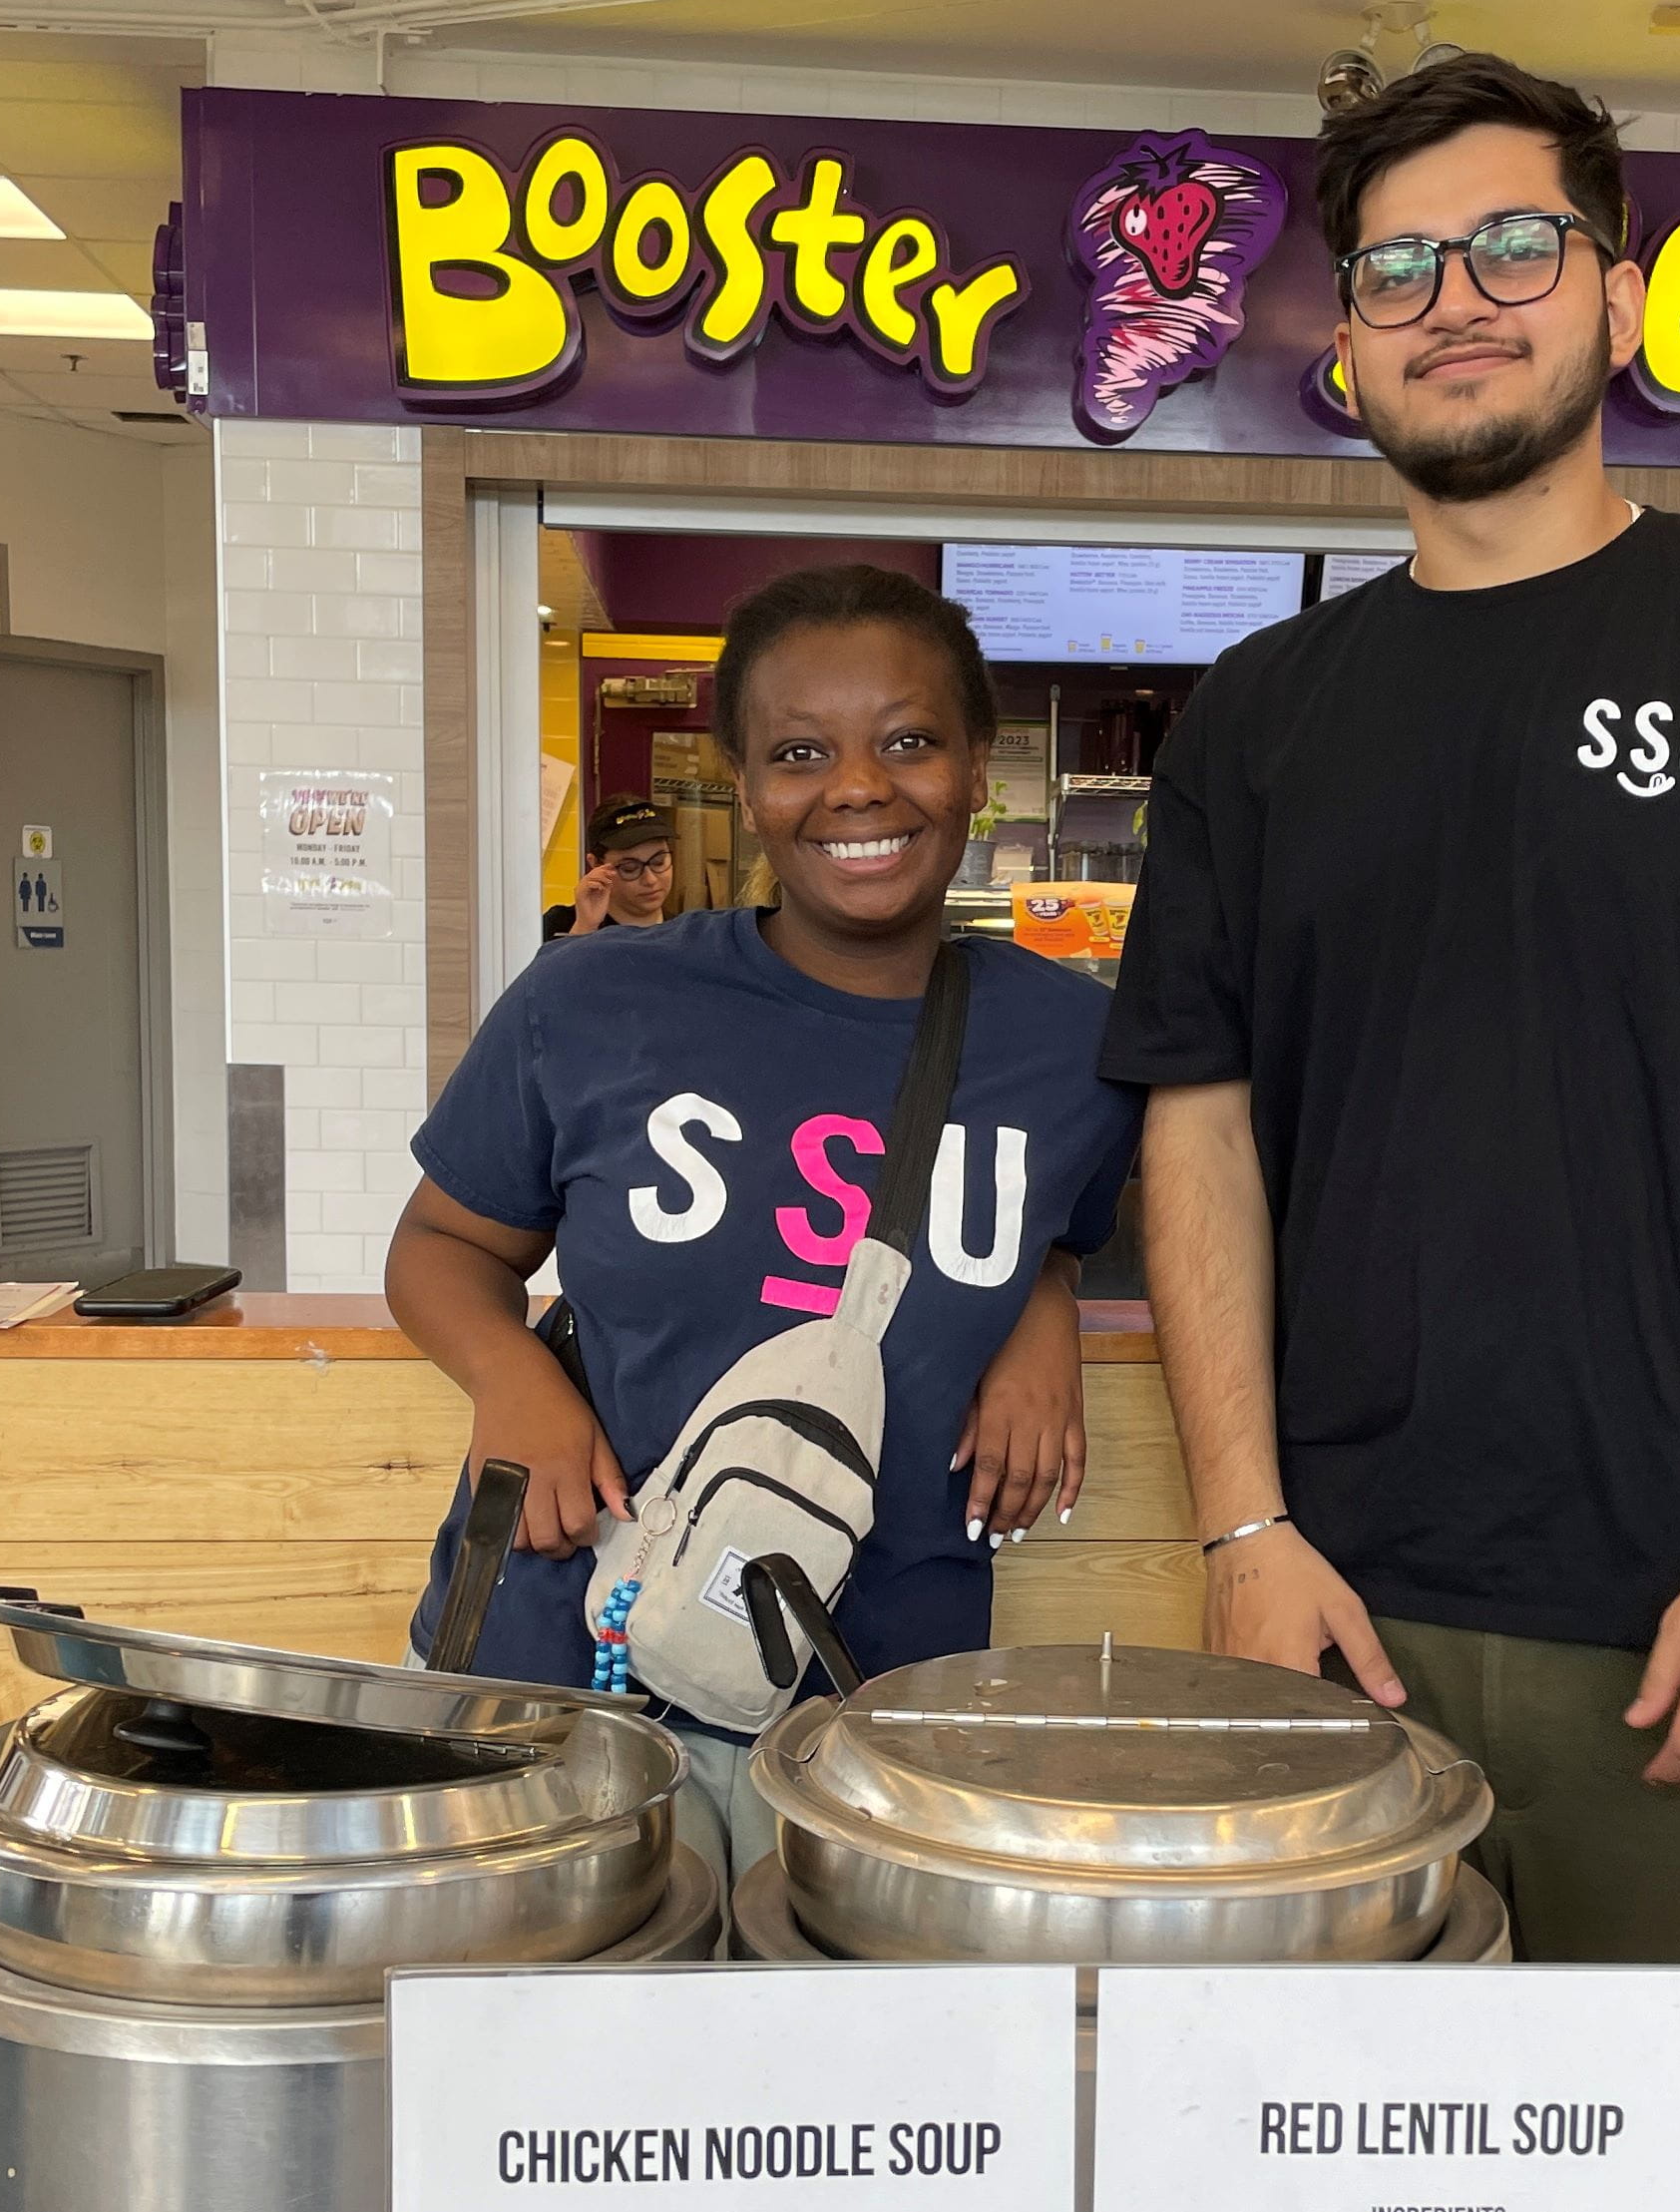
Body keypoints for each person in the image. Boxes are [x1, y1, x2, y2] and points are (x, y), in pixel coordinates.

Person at [1101, 49, 1680, 2104]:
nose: (1458, 297)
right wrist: (1242, 1532)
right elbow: (1203, 1133)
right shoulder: (1261, 718)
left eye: (1515, 244)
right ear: (1341, 350)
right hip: (1343, 1638)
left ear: (1619, 294)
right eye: (1397, 268)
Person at [387, 561, 1144, 1893]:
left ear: (978, 767)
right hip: (571, 1670)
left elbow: (1057, 1222)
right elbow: (442, 1247)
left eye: (909, 741)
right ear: (744, 786)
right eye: (801, 752)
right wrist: (511, 1382)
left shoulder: (1071, 1044)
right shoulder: (594, 999)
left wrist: (1043, 1302)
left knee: (832, 2091)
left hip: (877, 1695)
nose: (858, 786)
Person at [541, 793, 678, 939]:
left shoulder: (686, 935)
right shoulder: (559, 925)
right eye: (630, 868)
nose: (650, 880)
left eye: (659, 862)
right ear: (595, 864)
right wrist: (585, 927)